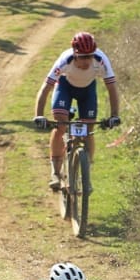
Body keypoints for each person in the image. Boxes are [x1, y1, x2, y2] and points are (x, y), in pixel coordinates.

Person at [32, 32, 121, 192]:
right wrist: (39, 115)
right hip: (65, 87)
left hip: (87, 91)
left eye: (90, 56)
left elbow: (112, 88)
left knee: (88, 131)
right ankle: (56, 172)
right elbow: (45, 88)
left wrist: (115, 115)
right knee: (60, 126)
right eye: (83, 57)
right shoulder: (64, 60)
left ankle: (86, 173)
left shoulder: (101, 60)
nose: (87, 61)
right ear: (75, 54)